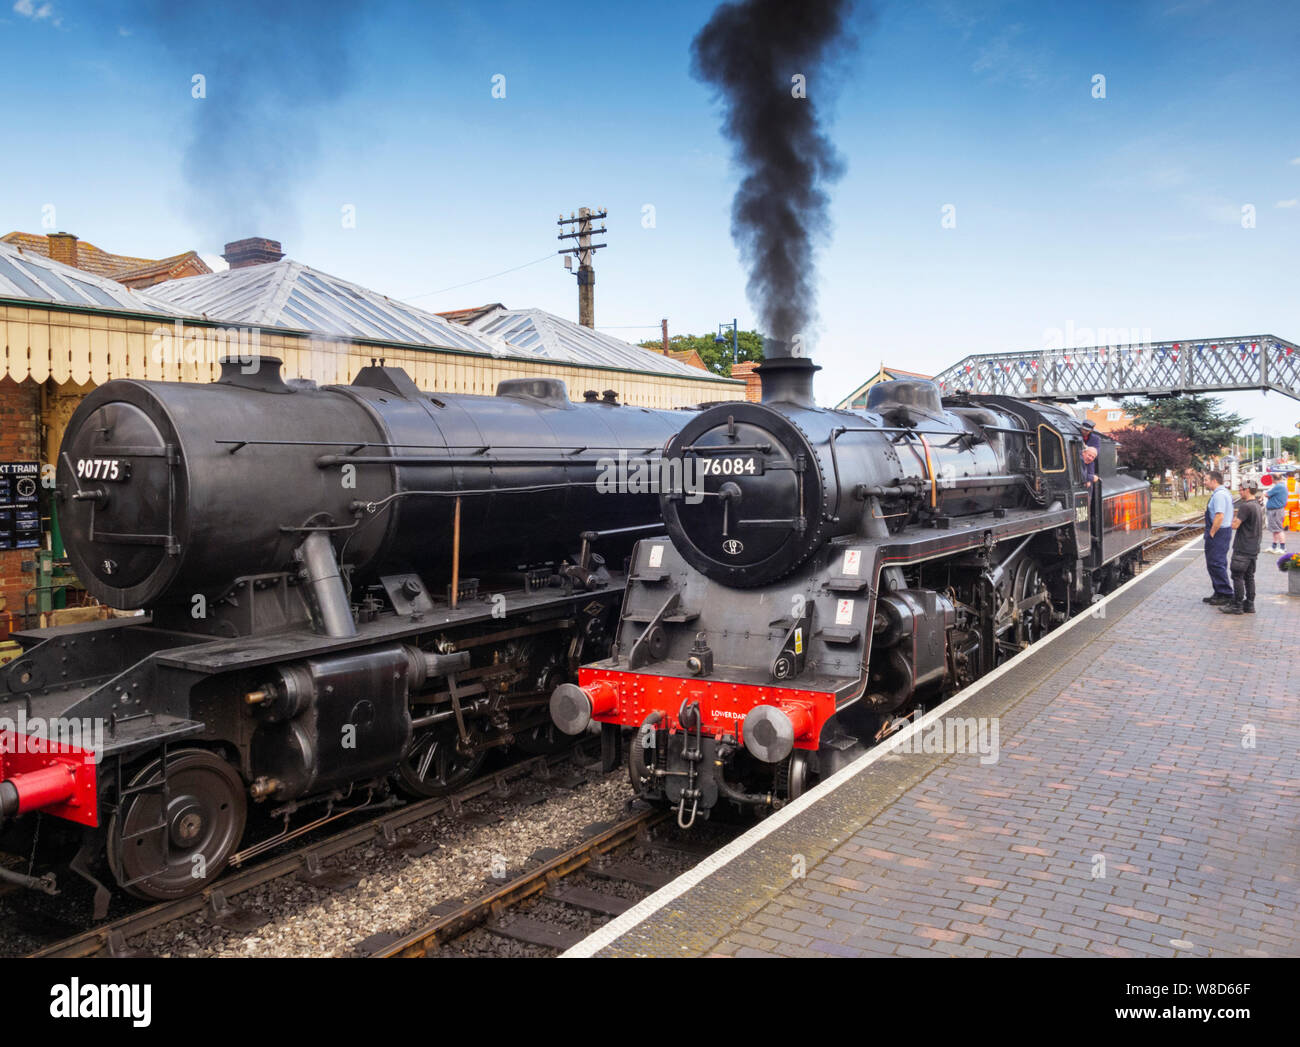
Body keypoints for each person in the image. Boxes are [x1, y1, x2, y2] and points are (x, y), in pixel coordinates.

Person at [1222, 479, 1262, 615]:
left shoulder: (1246, 506)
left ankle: (1237, 605)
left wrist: (1234, 517)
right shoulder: (1257, 505)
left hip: (1242, 548)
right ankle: (1249, 604)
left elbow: (1235, 525)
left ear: (1247, 490)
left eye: (1240, 490)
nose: (1239, 492)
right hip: (1253, 548)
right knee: (1249, 577)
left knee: (1237, 576)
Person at [1202, 470, 1234, 606]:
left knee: (1216, 563)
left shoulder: (1219, 495)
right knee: (1215, 563)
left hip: (1219, 532)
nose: (1204, 482)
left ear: (1214, 481)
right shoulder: (1223, 493)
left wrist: (1212, 533)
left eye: (1206, 480)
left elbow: (1219, 515)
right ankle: (1219, 591)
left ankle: (1225, 593)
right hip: (1222, 532)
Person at [1266, 473, 1289, 553]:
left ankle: (1282, 547)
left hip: (1276, 510)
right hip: (1277, 510)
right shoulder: (1282, 486)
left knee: (1278, 529)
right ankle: (1274, 546)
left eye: (1271, 478)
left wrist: (1264, 494)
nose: (1271, 479)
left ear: (1274, 478)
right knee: (1275, 529)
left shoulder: (1278, 486)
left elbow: (1267, 494)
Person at [1079, 419, 1102, 486]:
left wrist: (1088, 449)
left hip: (1088, 464)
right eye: (1083, 429)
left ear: (1091, 430)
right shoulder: (1076, 434)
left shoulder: (1095, 438)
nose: (1084, 432)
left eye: (1087, 430)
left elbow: (1096, 453)